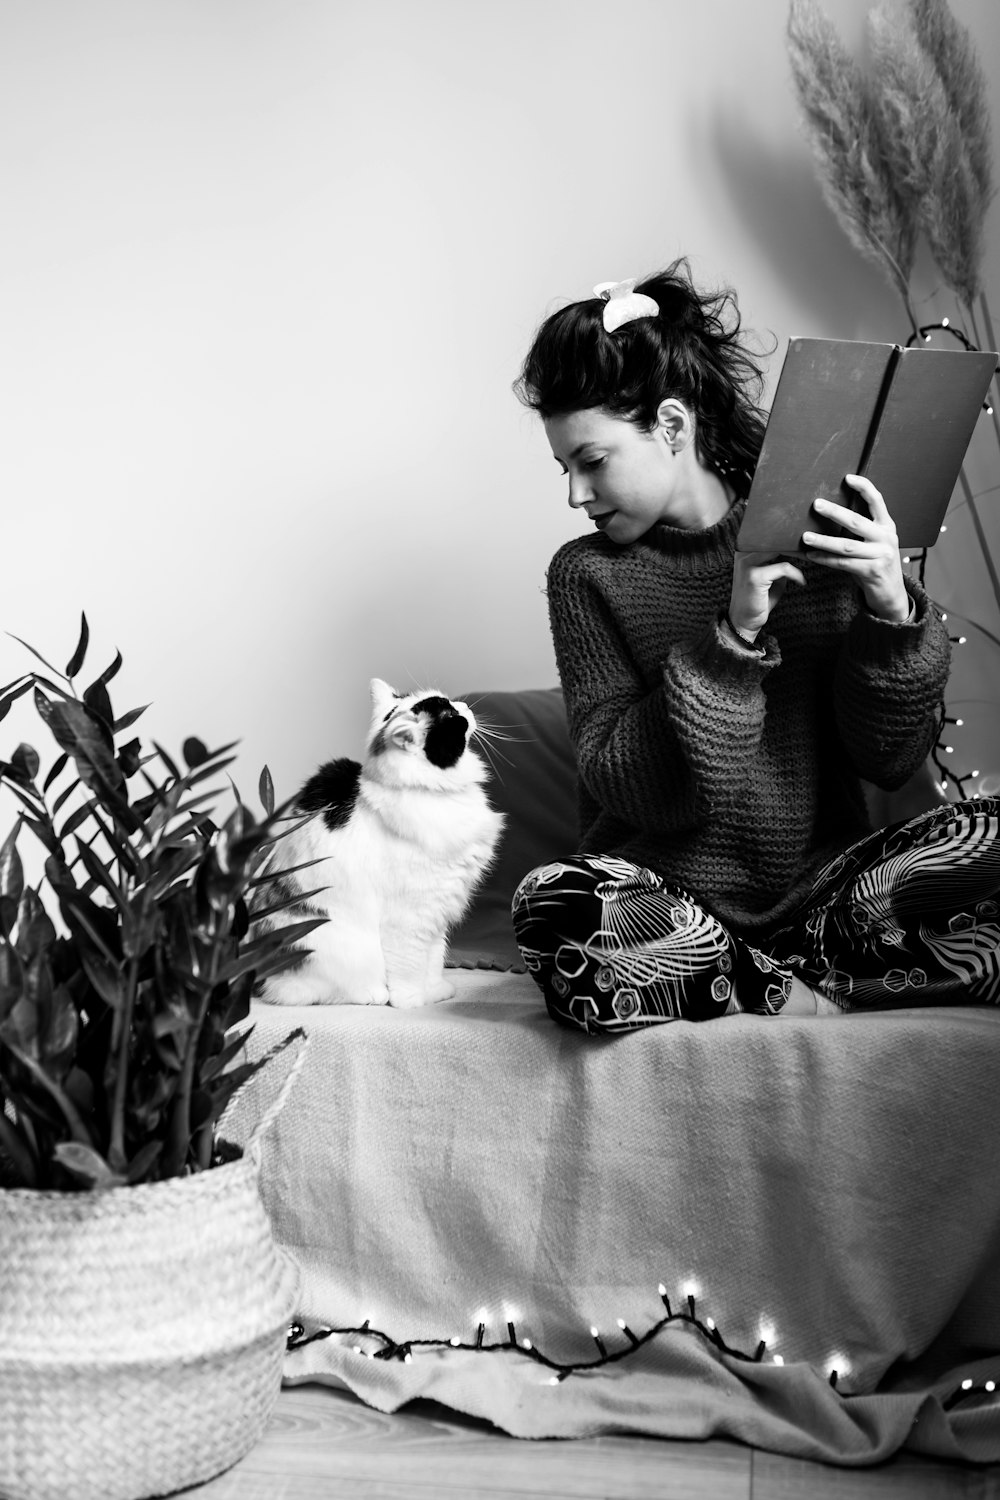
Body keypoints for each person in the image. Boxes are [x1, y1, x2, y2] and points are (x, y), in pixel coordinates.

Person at [510, 261, 1000, 1033]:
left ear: (672, 427)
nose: (576, 493)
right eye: (566, 467)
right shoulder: (586, 576)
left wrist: (889, 606)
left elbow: (890, 759)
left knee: (991, 834)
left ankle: (789, 979)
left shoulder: (817, 526)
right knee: (555, 904)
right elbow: (632, 786)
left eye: (592, 461)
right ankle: (784, 993)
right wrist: (731, 639)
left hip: (830, 904)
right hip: (663, 915)